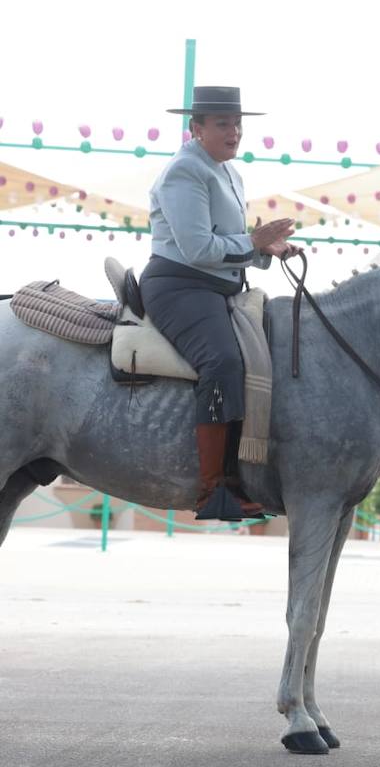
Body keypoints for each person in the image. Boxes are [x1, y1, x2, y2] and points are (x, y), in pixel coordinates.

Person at [141, 86, 299, 521]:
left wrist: (269, 249)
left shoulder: (228, 170)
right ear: (196, 128)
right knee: (223, 363)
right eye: (223, 124)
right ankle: (212, 489)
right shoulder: (183, 171)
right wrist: (254, 242)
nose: (234, 133)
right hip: (180, 286)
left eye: (237, 124)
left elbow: (231, 243)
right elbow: (196, 248)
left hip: (221, 287)